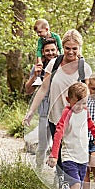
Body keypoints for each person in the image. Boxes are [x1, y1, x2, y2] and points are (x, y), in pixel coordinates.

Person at [23, 29, 93, 189]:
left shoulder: (85, 69)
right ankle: (63, 182)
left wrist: (90, 122)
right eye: (68, 48)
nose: (70, 52)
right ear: (64, 47)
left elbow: (86, 96)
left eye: (74, 48)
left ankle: (75, 183)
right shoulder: (53, 64)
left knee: (74, 149)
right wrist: (31, 111)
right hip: (55, 116)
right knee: (59, 149)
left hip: (75, 118)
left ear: (79, 48)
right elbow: (43, 90)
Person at [47, 82, 95, 189]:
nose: (80, 106)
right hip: (69, 155)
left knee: (76, 188)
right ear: (68, 100)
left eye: (83, 103)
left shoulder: (85, 110)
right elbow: (58, 133)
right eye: (76, 103)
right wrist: (54, 155)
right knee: (76, 184)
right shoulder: (67, 113)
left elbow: (90, 124)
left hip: (82, 155)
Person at [24, 38, 59, 169]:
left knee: (60, 143)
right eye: (47, 51)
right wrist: (35, 75)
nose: (50, 53)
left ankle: (59, 174)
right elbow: (28, 90)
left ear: (57, 50)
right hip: (45, 111)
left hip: (61, 110)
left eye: (52, 50)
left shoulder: (62, 65)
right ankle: (39, 167)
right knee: (43, 144)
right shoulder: (38, 67)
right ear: (43, 52)